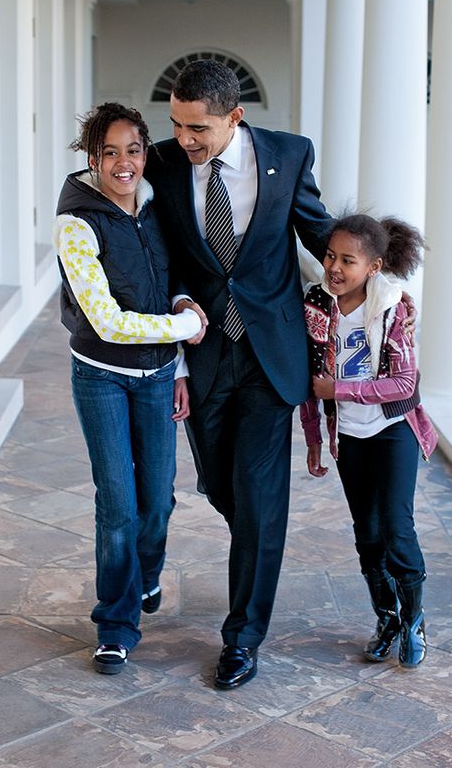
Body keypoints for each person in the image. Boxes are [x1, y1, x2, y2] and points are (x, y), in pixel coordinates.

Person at [145, 59, 335, 689]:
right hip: (203, 353)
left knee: (258, 499)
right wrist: (175, 308)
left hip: (268, 353)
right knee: (222, 488)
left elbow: (319, 232)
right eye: (175, 125)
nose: (183, 139)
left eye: (197, 127)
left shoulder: (289, 155)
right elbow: (163, 254)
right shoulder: (168, 164)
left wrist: (373, 282)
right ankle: (256, 537)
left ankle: (242, 636)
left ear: (235, 116)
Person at [53, 102, 205, 675]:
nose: (123, 163)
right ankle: (116, 625)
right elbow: (108, 321)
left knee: (159, 499)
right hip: (101, 376)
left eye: (133, 150)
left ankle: (143, 578)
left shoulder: (154, 207)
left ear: (146, 153)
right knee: (118, 503)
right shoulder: (76, 221)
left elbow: (168, 280)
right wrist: (185, 330)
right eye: (109, 152)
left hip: (160, 375)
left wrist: (179, 358)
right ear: (92, 158)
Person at [300, 213, 438, 668]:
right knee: (368, 535)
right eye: (330, 257)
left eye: (348, 261)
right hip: (350, 436)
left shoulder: (394, 307)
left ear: (374, 267)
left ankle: (415, 619)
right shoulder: (316, 304)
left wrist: (339, 389)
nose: (335, 268)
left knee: (397, 527)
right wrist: (314, 437)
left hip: (392, 430)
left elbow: (404, 384)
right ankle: (388, 618)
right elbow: (310, 379)